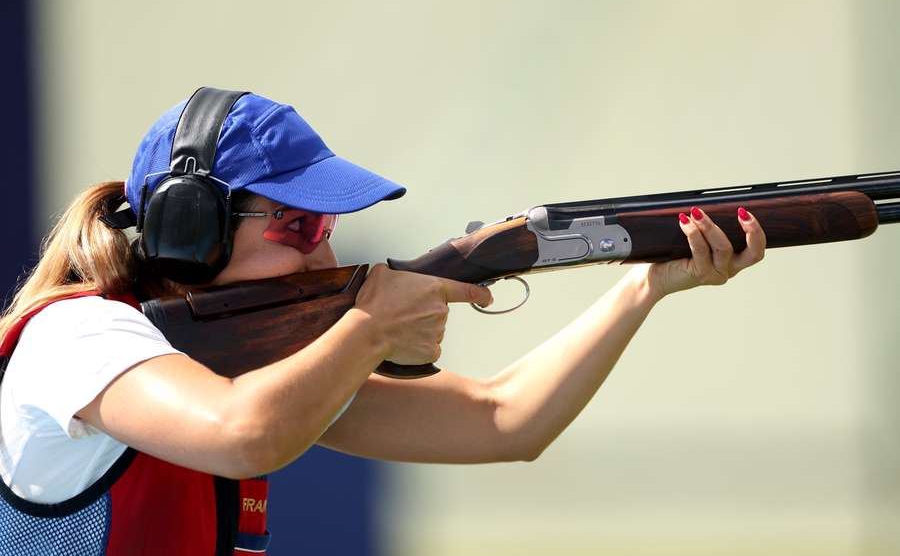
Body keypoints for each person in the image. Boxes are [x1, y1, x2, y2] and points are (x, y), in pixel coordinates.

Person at [0, 89, 766, 555]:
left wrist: (644, 287)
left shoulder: (247, 367)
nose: (323, 249)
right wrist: (369, 329)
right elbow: (242, 437)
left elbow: (505, 422)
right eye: (297, 225)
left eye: (327, 226)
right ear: (191, 225)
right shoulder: (78, 338)